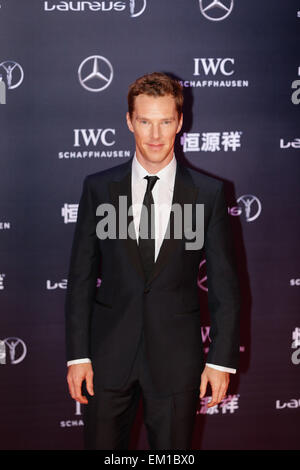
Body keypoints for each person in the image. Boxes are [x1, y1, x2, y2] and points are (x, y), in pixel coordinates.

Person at [65, 72, 240, 450]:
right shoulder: (98, 188)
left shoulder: (207, 194)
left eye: (165, 121)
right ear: (129, 121)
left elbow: (225, 287)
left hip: (177, 361)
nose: (155, 134)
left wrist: (221, 360)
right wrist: (77, 355)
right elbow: (80, 277)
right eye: (145, 121)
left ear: (179, 122)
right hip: (107, 360)